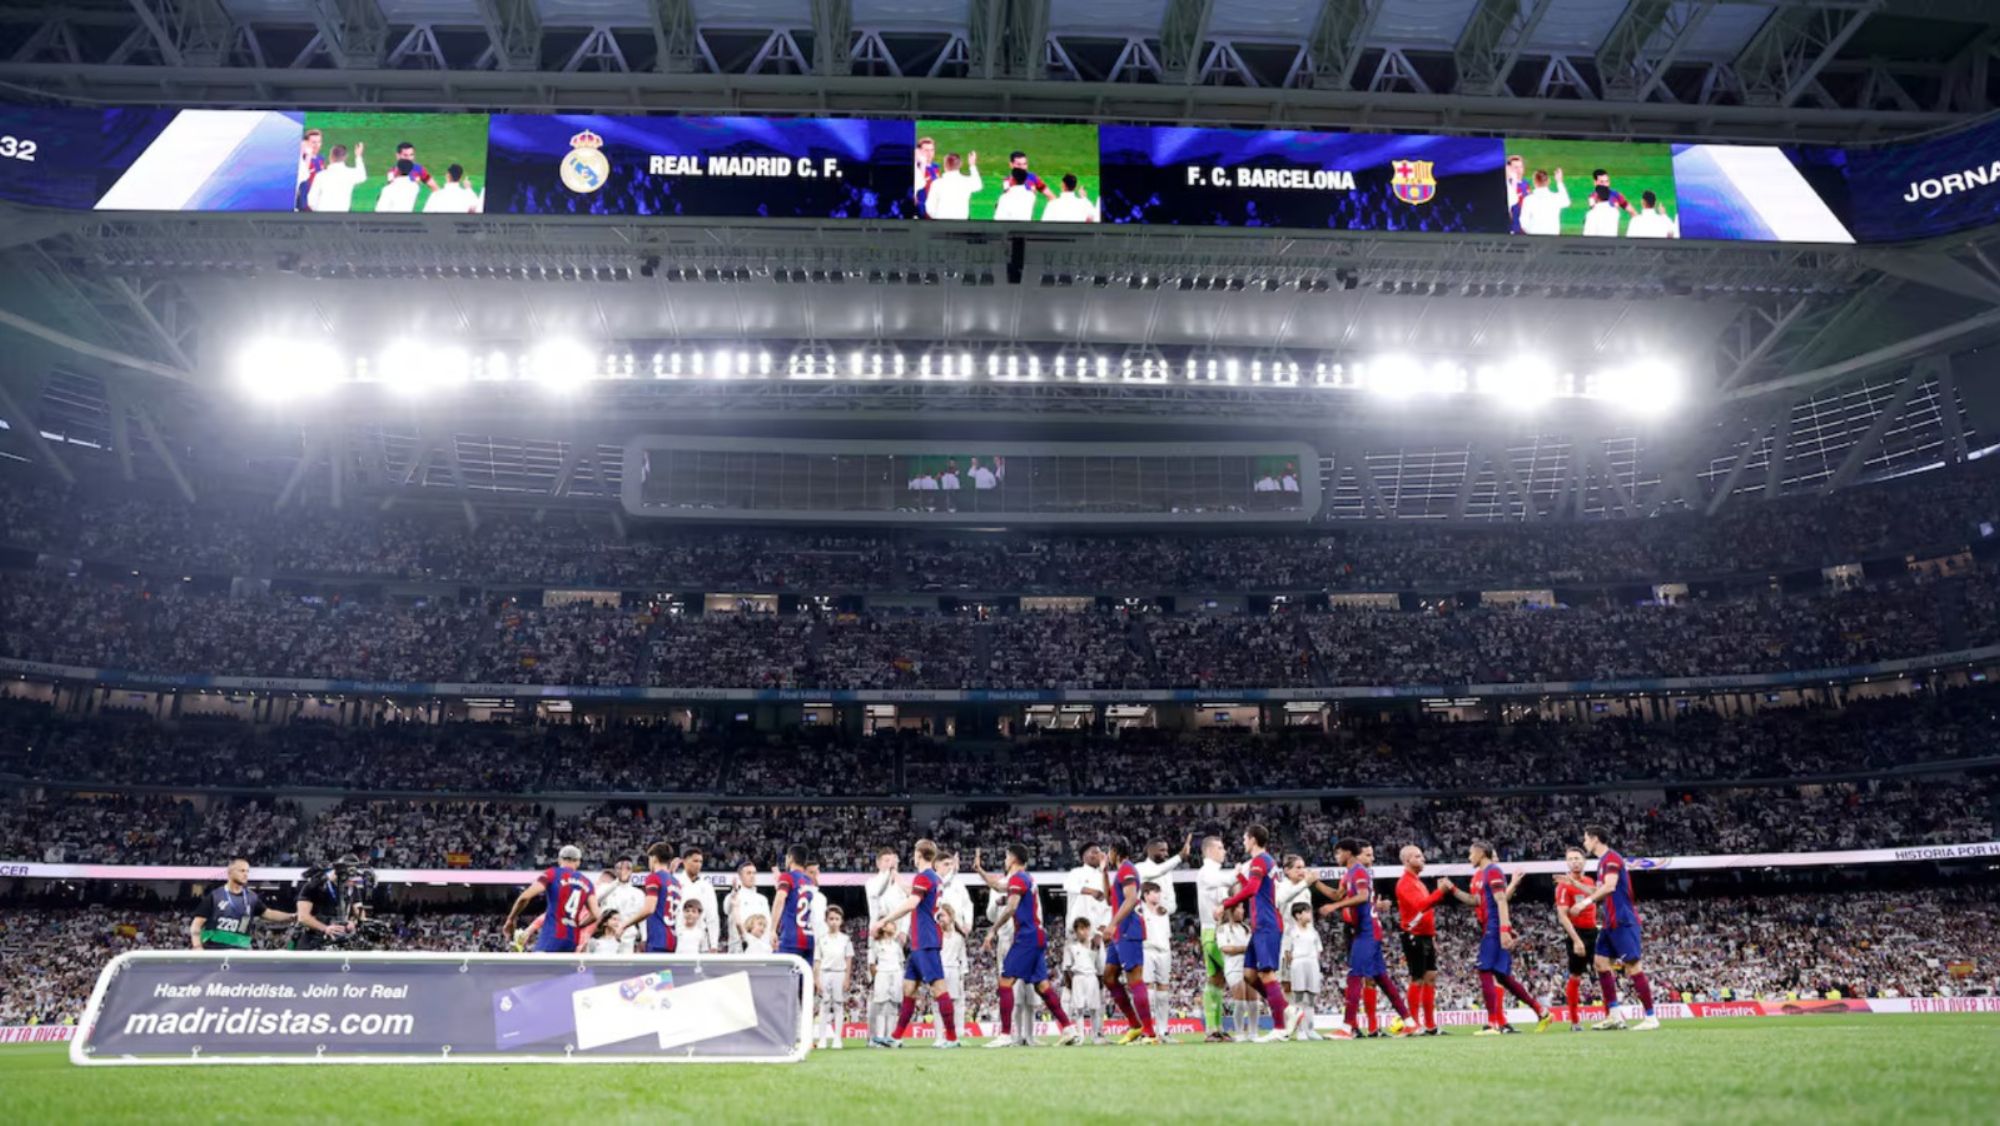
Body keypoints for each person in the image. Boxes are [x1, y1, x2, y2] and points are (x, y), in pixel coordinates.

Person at [972, 845, 1081, 1047]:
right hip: (1037, 936)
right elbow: (997, 886)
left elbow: (1011, 907)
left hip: (1026, 937)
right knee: (1043, 986)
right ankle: (1068, 1028)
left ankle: (1005, 1034)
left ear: (1012, 859)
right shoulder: (1026, 879)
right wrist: (980, 871)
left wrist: (992, 930)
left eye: (1006, 857)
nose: (1004, 860)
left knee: (1005, 982)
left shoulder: (1018, 878)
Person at [1448, 840, 1551, 1035]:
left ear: (1481, 853)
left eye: (1471, 853)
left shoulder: (1493, 871)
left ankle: (1493, 1023)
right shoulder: (1484, 874)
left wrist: (1504, 929)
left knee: (1484, 970)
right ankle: (1541, 1011)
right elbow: (1476, 901)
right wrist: (1452, 889)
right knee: (1503, 976)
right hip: (1491, 926)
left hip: (1494, 928)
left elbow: (1502, 899)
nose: (1469, 857)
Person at [1319, 838, 1415, 1040]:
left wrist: (1336, 907)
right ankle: (1409, 1022)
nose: (1336, 857)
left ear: (1347, 853)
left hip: (1366, 932)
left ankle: (1347, 1027)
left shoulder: (1358, 871)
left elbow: (1362, 896)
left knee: (1355, 975)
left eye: (1338, 853)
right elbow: (1340, 895)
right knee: (1381, 977)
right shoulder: (1351, 874)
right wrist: (1316, 883)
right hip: (1368, 930)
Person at [1569, 824, 1659, 1031]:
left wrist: (1583, 903)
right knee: (1600, 963)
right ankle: (1615, 1016)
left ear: (1595, 839)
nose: (1584, 843)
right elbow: (1600, 889)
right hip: (1610, 922)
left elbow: (1609, 887)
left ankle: (1651, 1017)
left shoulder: (1611, 859)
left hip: (1623, 920)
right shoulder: (1603, 862)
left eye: (1585, 838)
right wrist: (1574, 884)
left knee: (1633, 966)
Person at [873, 838, 961, 1048]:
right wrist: (896, 878)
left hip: (926, 940)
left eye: (914, 852)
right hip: (920, 941)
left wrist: (884, 920)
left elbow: (912, 903)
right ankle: (896, 1037)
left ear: (918, 855)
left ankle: (951, 1038)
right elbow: (913, 894)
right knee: (909, 988)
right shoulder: (933, 878)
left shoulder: (924, 877)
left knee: (939, 988)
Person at [1216, 824, 1297, 1041]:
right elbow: (1256, 890)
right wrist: (1241, 878)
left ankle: (1279, 1027)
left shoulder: (1261, 861)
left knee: (1266, 973)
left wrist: (1225, 904)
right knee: (1250, 974)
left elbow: (1252, 890)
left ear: (1252, 839)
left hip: (1268, 924)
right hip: (1261, 925)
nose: (1243, 842)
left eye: (1244, 838)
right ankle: (1286, 1009)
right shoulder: (1265, 862)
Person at [1100, 837, 1161, 1044]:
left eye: (1109, 852)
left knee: (1135, 980)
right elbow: (1110, 899)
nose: (1107, 856)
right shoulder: (1120, 872)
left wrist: (1113, 924)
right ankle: (1135, 1025)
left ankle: (1150, 1034)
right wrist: (1103, 873)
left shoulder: (1127, 869)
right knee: (1109, 977)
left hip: (1128, 929)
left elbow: (1132, 898)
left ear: (1115, 851)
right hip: (1120, 932)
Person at [1394, 844, 1452, 1035]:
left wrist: (1433, 935)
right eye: (1418, 856)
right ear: (1407, 860)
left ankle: (1430, 1025)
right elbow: (1421, 906)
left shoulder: (1418, 882)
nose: (1423, 859)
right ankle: (1413, 1024)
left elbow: (1427, 909)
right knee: (1417, 978)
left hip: (1425, 935)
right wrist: (1440, 892)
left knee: (1430, 977)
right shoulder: (1405, 883)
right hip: (1414, 935)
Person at [503, 844, 601, 955]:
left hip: (552, 935)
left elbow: (524, 897)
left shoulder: (552, 873)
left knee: (537, 970)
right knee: (561, 972)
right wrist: (579, 925)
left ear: (559, 860)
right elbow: (596, 914)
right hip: (572, 939)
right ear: (578, 862)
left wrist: (511, 919)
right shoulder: (587, 882)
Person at [1136, 835, 1190, 1034]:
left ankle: (1163, 1030)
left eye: (1167, 851)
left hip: (1163, 938)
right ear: (1150, 850)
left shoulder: (1166, 874)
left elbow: (1173, 904)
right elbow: (1157, 871)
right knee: (1147, 987)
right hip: (1146, 940)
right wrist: (1179, 857)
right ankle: (1147, 1030)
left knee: (1164, 988)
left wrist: (1165, 908)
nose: (1165, 854)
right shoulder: (1141, 868)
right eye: (1161, 850)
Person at [190, 857, 294, 950]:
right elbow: (197, 923)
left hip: (240, 952)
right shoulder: (215, 896)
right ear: (230, 872)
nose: (246, 874)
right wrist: (197, 946)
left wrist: (291, 916)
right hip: (214, 951)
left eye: (247, 871)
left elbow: (269, 913)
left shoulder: (251, 897)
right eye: (242, 871)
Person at [1194, 834, 1239, 1043]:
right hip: (1213, 932)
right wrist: (1240, 872)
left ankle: (1215, 1028)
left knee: (1216, 981)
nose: (1224, 851)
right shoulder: (1207, 872)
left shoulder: (1213, 873)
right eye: (1221, 848)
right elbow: (1228, 881)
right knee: (1236, 973)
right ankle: (1214, 1028)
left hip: (1214, 931)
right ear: (1210, 851)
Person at [1554, 845, 1600, 1031]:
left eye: (1577, 858)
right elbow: (1562, 915)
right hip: (1577, 933)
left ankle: (1611, 1016)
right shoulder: (1563, 886)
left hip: (1593, 932)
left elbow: (1598, 894)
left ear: (1584, 861)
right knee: (1575, 976)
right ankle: (1574, 1022)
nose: (1575, 861)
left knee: (1604, 971)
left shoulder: (1589, 881)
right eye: (1571, 859)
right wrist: (1576, 940)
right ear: (1567, 862)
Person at [619, 842, 681, 954]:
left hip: (657, 938)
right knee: (666, 972)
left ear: (654, 858)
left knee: (655, 971)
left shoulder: (654, 878)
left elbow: (649, 909)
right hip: (672, 938)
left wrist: (624, 925)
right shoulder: (675, 882)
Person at [292, 854, 362, 950]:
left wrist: (353, 922)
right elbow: (303, 917)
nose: (352, 879)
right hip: (312, 940)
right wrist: (325, 928)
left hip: (339, 940)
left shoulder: (352, 888)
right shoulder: (314, 886)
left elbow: (360, 912)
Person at [1282, 902, 1323, 1040]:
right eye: (1307, 912)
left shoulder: (1313, 931)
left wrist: (1315, 963)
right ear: (1298, 915)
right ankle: (1300, 1030)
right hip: (1298, 962)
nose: (1310, 914)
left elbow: (1318, 949)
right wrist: (1291, 966)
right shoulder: (1291, 931)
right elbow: (1287, 952)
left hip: (1312, 962)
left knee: (1311, 997)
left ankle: (1310, 1029)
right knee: (1298, 997)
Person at [773, 844, 818, 968]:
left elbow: (780, 900)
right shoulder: (810, 883)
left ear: (790, 858)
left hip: (790, 938)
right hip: (810, 939)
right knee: (805, 984)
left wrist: (772, 929)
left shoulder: (787, 877)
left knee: (781, 980)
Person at [1063, 917, 1105, 1044]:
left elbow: (1100, 964)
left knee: (1094, 1009)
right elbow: (1067, 967)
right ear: (1076, 931)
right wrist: (1070, 985)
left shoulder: (1095, 945)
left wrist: (1101, 981)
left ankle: (1095, 1036)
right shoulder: (1071, 947)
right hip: (1078, 977)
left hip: (1092, 977)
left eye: (1086, 928)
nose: (1084, 931)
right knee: (1079, 1009)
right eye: (1081, 929)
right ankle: (1080, 1036)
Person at [817, 905, 852, 1049]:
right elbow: (817, 960)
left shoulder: (845, 939)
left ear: (841, 921)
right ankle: (822, 1039)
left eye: (837, 919)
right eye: (831, 919)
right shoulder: (821, 939)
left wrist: (847, 978)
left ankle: (837, 1038)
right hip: (825, 973)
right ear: (826, 920)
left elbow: (849, 959)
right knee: (824, 1005)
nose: (834, 922)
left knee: (838, 1005)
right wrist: (817, 979)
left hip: (840, 973)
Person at [1216, 904, 1251, 1041]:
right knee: (1240, 1002)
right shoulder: (1222, 929)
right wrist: (1244, 948)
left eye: (1243, 908)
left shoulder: (1246, 928)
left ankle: (1252, 1032)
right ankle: (1239, 1033)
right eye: (1240, 908)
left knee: (1252, 1002)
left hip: (1247, 967)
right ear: (1231, 911)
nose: (1243, 911)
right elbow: (1226, 948)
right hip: (1233, 968)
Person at [867, 920, 905, 1045]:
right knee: (881, 1006)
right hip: (882, 973)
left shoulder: (896, 945)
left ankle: (890, 1036)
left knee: (893, 1006)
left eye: (894, 924)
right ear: (883, 927)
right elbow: (872, 964)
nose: (894, 926)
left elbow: (901, 962)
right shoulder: (876, 944)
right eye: (891, 924)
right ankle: (879, 1036)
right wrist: (877, 977)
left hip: (896, 974)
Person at [598, 856, 644, 954]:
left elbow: (643, 919)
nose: (624, 871)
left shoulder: (638, 893)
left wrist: (644, 938)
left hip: (628, 938)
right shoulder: (606, 888)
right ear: (615, 870)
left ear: (632, 871)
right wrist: (617, 882)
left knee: (626, 967)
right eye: (620, 868)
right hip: (607, 938)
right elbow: (597, 899)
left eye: (628, 868)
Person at [677, 847, 720, 953]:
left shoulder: (707, 886)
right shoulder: (675, 882)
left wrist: (714, 944)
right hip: (678, 938)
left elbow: (712, 917)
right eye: (695, 861)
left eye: (701, 862)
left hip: (701, 941)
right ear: (685, 862)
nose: (698, 865)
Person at [725, 860, 770, 954]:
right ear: (740, 876)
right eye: (748, 873)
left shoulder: (763, 899)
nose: (752, 876)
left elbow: (768, 925)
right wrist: (734, 893)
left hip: (760, 949)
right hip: (738, 948)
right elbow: (726, 909)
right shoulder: (733, 896)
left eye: (754, 873)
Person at [306, 142, 365, 213]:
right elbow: (362, 175)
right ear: (345, 157)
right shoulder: (350, 174)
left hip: (322, 217)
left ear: (330, 156)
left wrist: (319, 212)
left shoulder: (321, 176)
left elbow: (311, 201)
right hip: (341, 218)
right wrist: (358, 156)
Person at [865, 846, 908, 940]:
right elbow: (878, 891)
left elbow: (907, 908)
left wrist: (904, 931)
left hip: (897, 930)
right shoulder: (871, 882)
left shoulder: (902, 883)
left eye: (892, 861)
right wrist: (890, 872)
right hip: (877, 929)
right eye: (887, 861)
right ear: (878, 863)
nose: (890, 864)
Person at [924, 152, 980, 220]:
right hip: (961, 223)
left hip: (941, 223)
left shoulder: (937, 184)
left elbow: (929, 207)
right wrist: (972, 165)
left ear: (945, 165)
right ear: (960, 165)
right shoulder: (966, 182)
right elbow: (978, 185)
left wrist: (937, 217)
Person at [1517, 168, 1569, 236]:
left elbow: (1523, 222)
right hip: (1553, 238)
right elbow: (1566, 201)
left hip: (1534, 239)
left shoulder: (1528, 200)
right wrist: (1559, 181)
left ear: (1534, 182)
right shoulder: (1556, 198)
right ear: (1548, 181)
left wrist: (1532, 232)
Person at [296, 129, 324, 212]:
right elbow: (303, 175)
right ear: (306, 143)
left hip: (316, 202)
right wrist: (307, 153)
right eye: (313, 142)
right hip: (303, 202)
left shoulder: (320, 158)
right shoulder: (302, 159)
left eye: (319, 142)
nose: (316, 145)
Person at [912, 136, 941, 215]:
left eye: (932, 150)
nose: (930, 153)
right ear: (919, 152)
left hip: (935, 210)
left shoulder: (936, 167)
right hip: (921, 211)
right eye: (926, 150)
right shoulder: (916, 169)